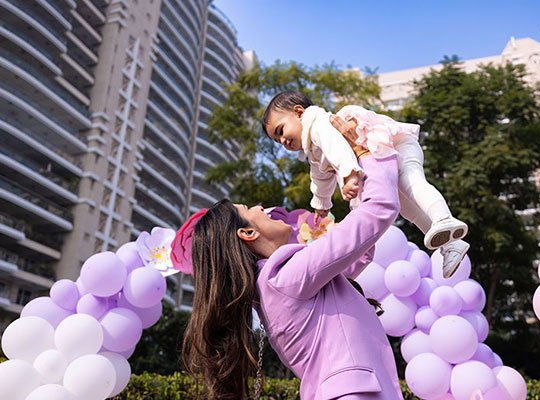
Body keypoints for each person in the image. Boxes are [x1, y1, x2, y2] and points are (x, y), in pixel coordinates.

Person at [175, 115, 404, 399]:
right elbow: (379, 209)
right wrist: (369, 154)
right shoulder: (284, 277)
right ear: (247, 232)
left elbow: (360, 251)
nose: (261, 207)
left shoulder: (278, 283)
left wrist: (354, 181)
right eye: (250, 209)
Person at [261, 91, 469, 278]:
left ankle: (444, 218)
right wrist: (321, 204)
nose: (282, 141)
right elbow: (320, 177)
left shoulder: (319, 124)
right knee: (409, 210)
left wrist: (350, 175)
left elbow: (338, 149)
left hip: (396, 146)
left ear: (299, 113)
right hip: (383, 161)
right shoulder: (313, 151)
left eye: (280, 131)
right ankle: (451, 244)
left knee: (411, 181)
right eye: (277, 141)